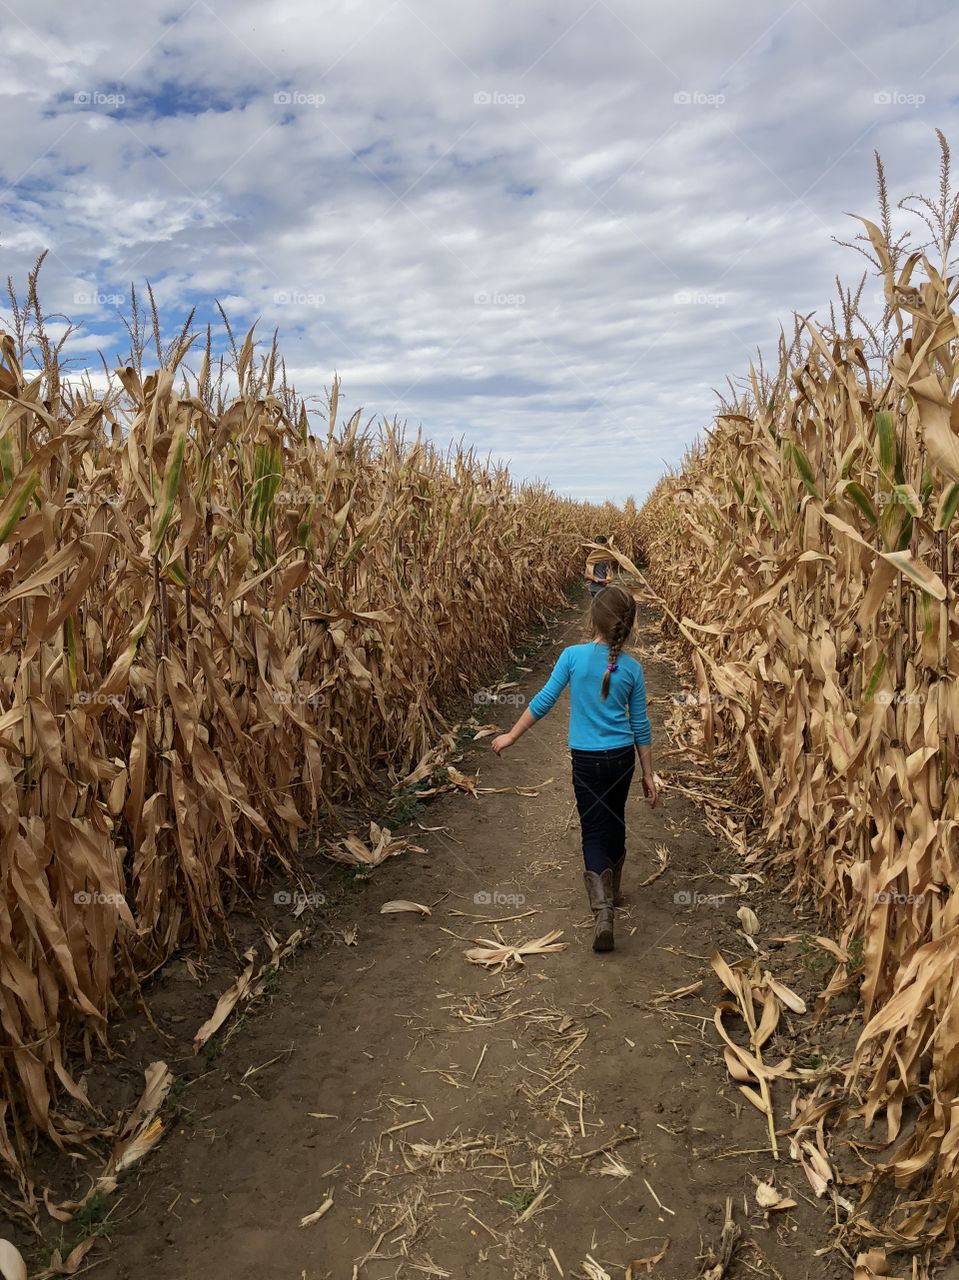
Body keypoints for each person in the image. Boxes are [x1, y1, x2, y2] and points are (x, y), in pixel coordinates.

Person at [491, 584, 657, 953]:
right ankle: (613, 891)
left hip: (586, 759)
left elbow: (544, 700)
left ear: (591, 620)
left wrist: (511, 736)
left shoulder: (572, 657)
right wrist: (647, 773)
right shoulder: (632, 668)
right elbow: (641, 724)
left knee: (593, 830)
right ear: (627, 626)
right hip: (621, 759)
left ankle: (603, 913)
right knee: (614, 819)